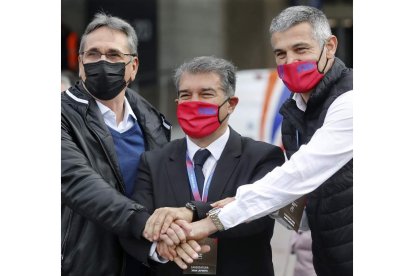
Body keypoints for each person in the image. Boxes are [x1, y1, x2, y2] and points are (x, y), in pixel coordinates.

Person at [148, 6, 353, 276]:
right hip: (331, 254)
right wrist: (230, 204)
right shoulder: (294, 113)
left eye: (301, 49)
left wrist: (210, 221)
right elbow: (300, 207)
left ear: (330, 46)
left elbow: (300, 173)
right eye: (281, 53)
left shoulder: (350, 100)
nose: (290, 61)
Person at [121, 56, 285, 276]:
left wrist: (191, 215)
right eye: (185, 95)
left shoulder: (263, 157)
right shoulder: (153, 161)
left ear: (231, 104)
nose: (193, 102)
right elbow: (135, 223)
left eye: (206, 94)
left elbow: (259, 218)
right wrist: (161, 247)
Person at [61, 12, 171, 276]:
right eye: (93, 54)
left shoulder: (155, 122)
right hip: (86, 262)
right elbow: (78, 182)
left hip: (146, 260)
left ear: (133, 67)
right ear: (80, 64)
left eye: (113, 55)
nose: (102, 61)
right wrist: (142, 223)